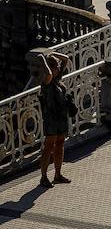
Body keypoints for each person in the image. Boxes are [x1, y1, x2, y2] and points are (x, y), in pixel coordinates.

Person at [37, 51, 74, 188]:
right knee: (49, 147)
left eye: (58, 67)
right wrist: (43, 60)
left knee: (60, 143)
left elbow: (66, 59)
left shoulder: (58, 79)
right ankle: (43, 177)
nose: (59, 69)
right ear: (50, 68)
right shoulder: (47, 81)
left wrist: (53, 54)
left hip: (61, 118)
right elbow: (48, 73)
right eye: (56, 67)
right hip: (51, 118)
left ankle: (58, 174)